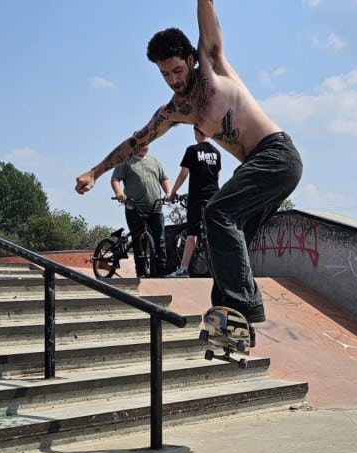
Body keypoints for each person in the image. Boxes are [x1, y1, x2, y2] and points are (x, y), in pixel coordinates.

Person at [75, 0, 303, 328]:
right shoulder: (174, 111)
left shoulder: (212, 63)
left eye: (178, 71)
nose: (173, 80)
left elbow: (206, 8)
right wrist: (95, 172)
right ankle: (227, 321)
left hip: (277, 155)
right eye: (165, 74)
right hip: (256, 166)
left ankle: (246, 307)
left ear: (191, 60)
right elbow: (135, 142)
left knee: (217, 212)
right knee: (225, 237)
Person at [166, 126, 221, 277]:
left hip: (197, 196)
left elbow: (184, 174)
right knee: (214, 231)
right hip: (213, 195)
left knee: (192, 234)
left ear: (196, 132)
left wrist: (173, 192)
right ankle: (221, 269)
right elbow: (217, 176)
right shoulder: (216, 153)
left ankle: (183, 269)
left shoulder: (192, 150)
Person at [110, 144, 171, 277]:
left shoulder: (154, 161)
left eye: (147, 144)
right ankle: (141, 271)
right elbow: (115, 179)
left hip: (155, 207)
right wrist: (119, 192)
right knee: (139, 240)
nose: (145, 147)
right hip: (135, 207)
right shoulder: (126, 161)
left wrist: (168, 192)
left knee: (159, 239)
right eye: (142, 144)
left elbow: (164, 178)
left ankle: (161, 270)